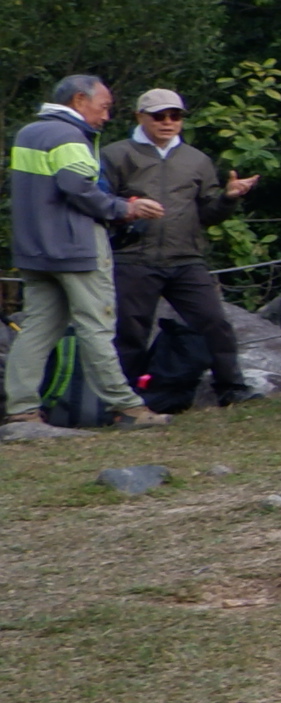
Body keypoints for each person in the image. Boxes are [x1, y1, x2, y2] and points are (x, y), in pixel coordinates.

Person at [6, 74, 171, 441]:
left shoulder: (29, 133)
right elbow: (78, 188)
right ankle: (125, 406)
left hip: (34, 249)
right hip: (76, 247)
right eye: (104, 107)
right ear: (80, 100)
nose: (106, 116)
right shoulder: (69, 135)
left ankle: (22, 408)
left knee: (37, 329)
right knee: (97, 325)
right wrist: (124, 209)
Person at [104, 88, 260, 411]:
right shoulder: (115, 154)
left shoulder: (196, 160)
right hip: (132, 257)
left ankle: (232, 389)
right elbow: (99, 203)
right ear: (140, 117)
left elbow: (208, 213)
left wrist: (229, 198)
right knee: (130, 331)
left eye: (175, 116)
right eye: (159, 116)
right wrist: (127, 210)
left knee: (214, 322)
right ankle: (127, 402)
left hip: (186, 258)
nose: (168, 122)